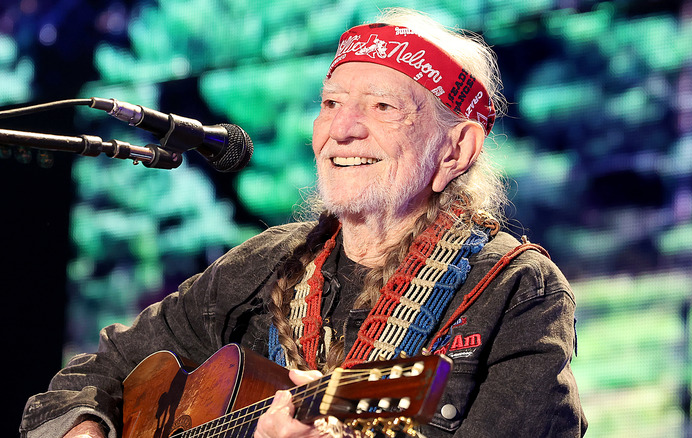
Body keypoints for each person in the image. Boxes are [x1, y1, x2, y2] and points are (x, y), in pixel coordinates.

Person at [20, 8, 586, 438]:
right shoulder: (263, 264)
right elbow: (88, 379)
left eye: (382, 107)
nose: (342, 130)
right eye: (331, 103)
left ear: (456, 148)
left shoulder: (516, 292)